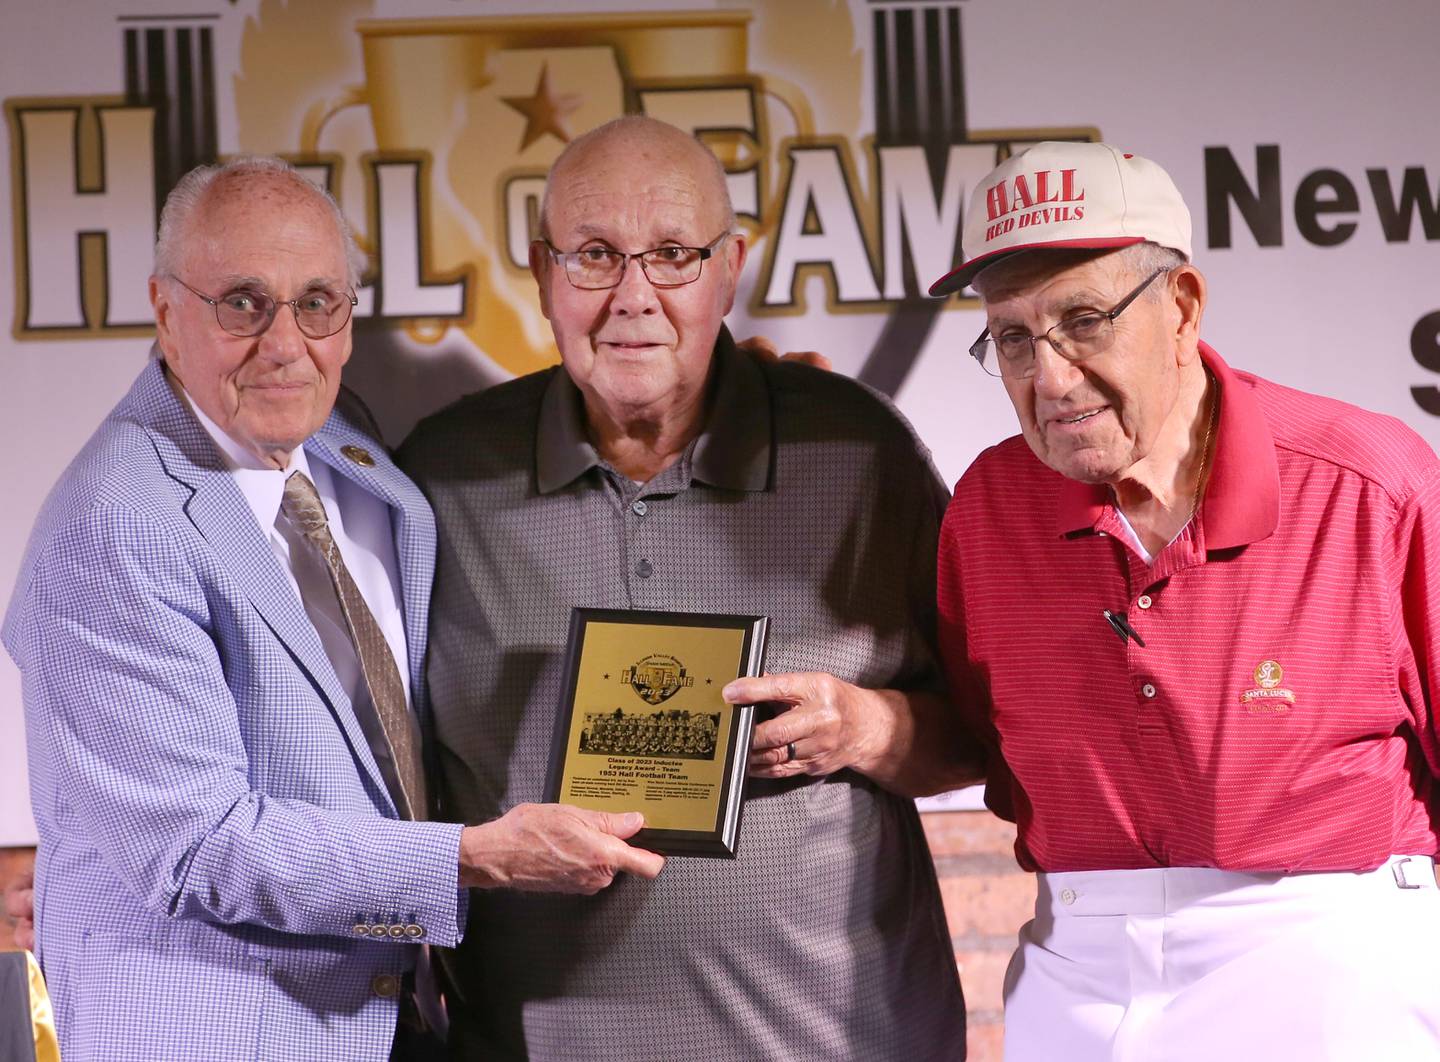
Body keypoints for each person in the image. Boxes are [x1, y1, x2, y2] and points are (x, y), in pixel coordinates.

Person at [2, 156, 662, 1062]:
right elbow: (204, 847)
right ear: (164, 308)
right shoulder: (114, 527)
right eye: (242, 302)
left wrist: (708, 385)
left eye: (318, 302)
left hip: (392, 1021)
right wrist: (471, 857)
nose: (284, 343)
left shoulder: (339, 443)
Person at [397, 116, 975, 1061]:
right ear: (540, 271)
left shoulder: (855, 451)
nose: (633, 298)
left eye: (673, 255)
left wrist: (870, 727)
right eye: (593, 255)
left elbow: (991, 736)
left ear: (729, 268)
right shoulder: (440, 477)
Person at [928, 140, 1440, 1060]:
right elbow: (996, 760)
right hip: (1078, 965)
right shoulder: (986, 510)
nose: (1049, 378)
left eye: (1084, 320)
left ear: (1182, 308)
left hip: (1332, 959)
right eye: (1012, 336)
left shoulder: (1372, 484)